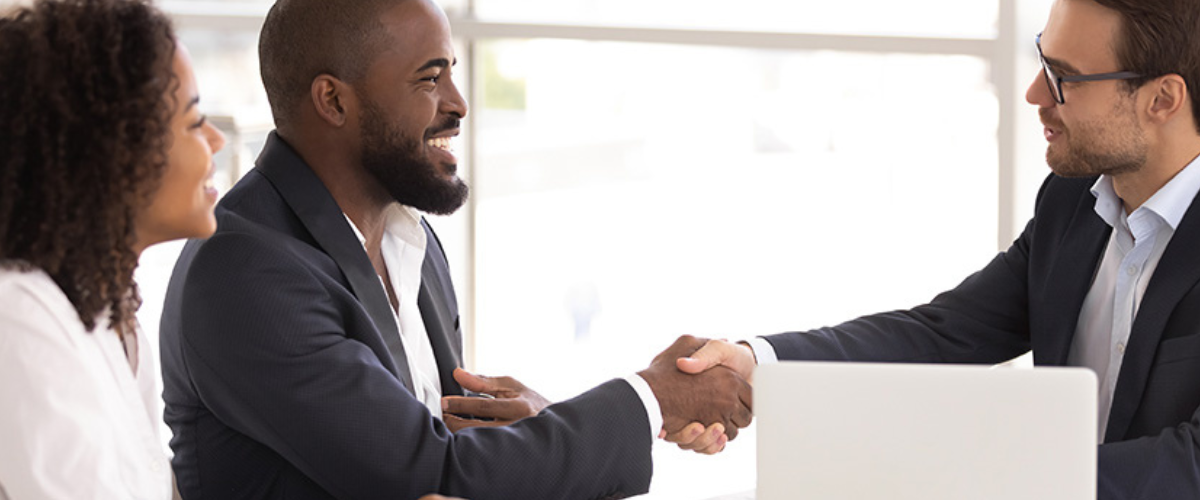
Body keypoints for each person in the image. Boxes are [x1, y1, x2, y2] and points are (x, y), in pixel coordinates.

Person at [157, 0, 753, 498]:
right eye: (429, 77)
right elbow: (430, 474)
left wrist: (543, 422)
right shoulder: (247, 270)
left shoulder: (408, 239)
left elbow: (450, 451)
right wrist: (651, 399)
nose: (459, 103)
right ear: (334, 102)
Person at [672, 0, 1200, 497]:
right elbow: (947, 332)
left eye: (1066, 78)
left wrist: (978, 477)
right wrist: (754, 363)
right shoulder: (1073, 200)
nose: (1035, 93)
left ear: (1162, 99)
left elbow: (1190, 463)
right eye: (1042, 59)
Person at [0, 0, 227, 497]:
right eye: (193, 122)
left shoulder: (109, 312)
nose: (215, 140)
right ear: (112, 149)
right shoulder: (18, 314)